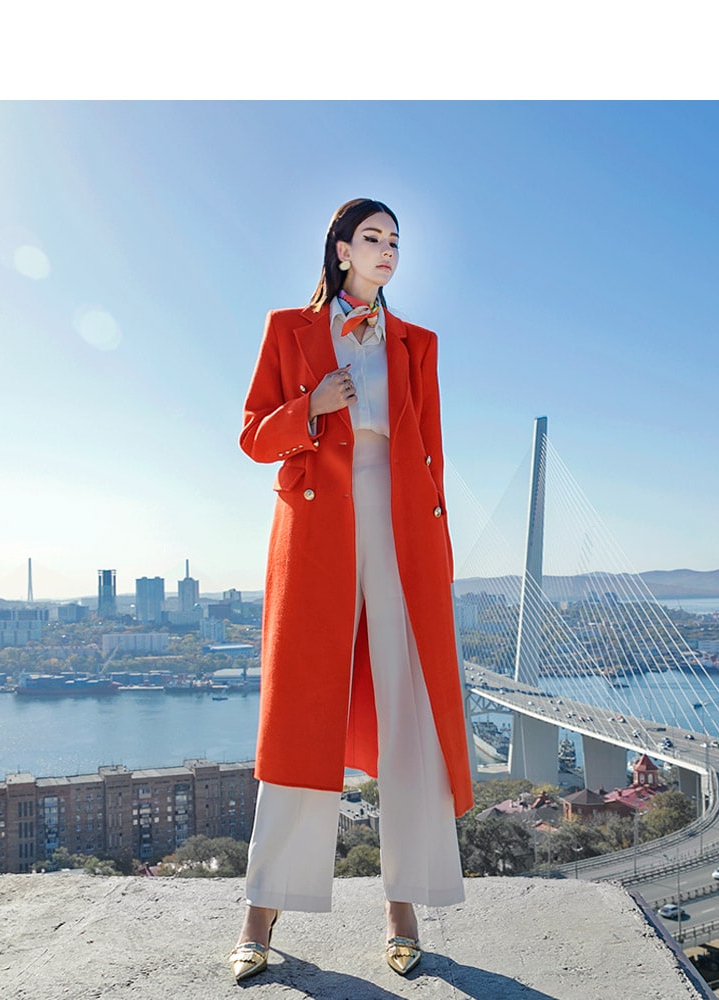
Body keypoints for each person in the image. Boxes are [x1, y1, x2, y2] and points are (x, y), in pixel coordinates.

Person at [228, 198, 474, 981]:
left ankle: (404, 911)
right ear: (340, 250)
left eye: (395, 239)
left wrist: (440, 552)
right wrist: (311, 407)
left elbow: (431, 454)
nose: (387, 249)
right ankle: (261, 913)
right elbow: (253, 435)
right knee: (300, 717)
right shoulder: (287, 328)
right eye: (372, 237)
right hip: (316, 532)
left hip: (403, 533)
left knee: (410, 711)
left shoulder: (416, 343)